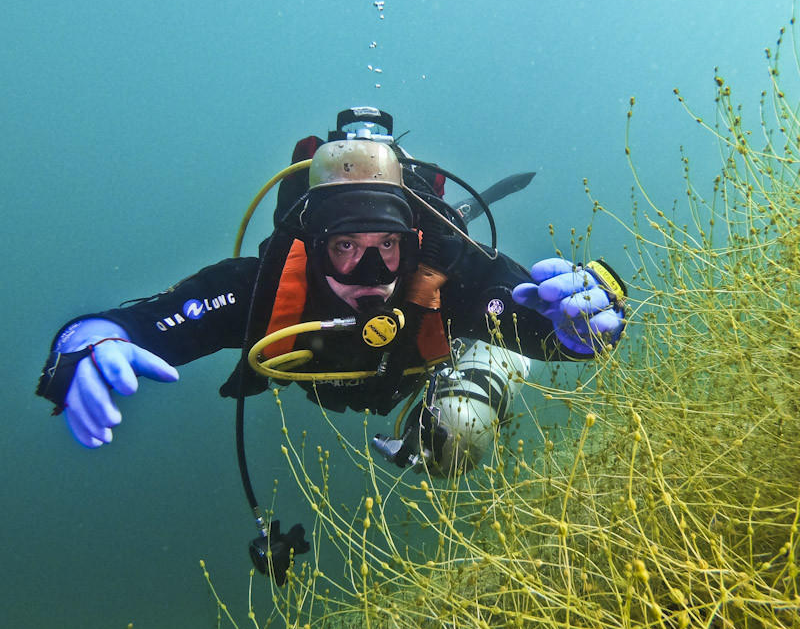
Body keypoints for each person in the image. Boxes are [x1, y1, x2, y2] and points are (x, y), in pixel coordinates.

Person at [36, 107, 625, 583]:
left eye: (387, 246)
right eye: (344, 247)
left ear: (411, 242)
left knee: (458, 438)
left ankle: (479, 370)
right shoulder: (261, 289)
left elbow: (528, 315)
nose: (370, 269)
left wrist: (582, 326)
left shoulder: (448, 270)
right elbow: (134, 323)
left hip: (428, 370)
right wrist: (83, 348)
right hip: (337, 373)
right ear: (311, 247)